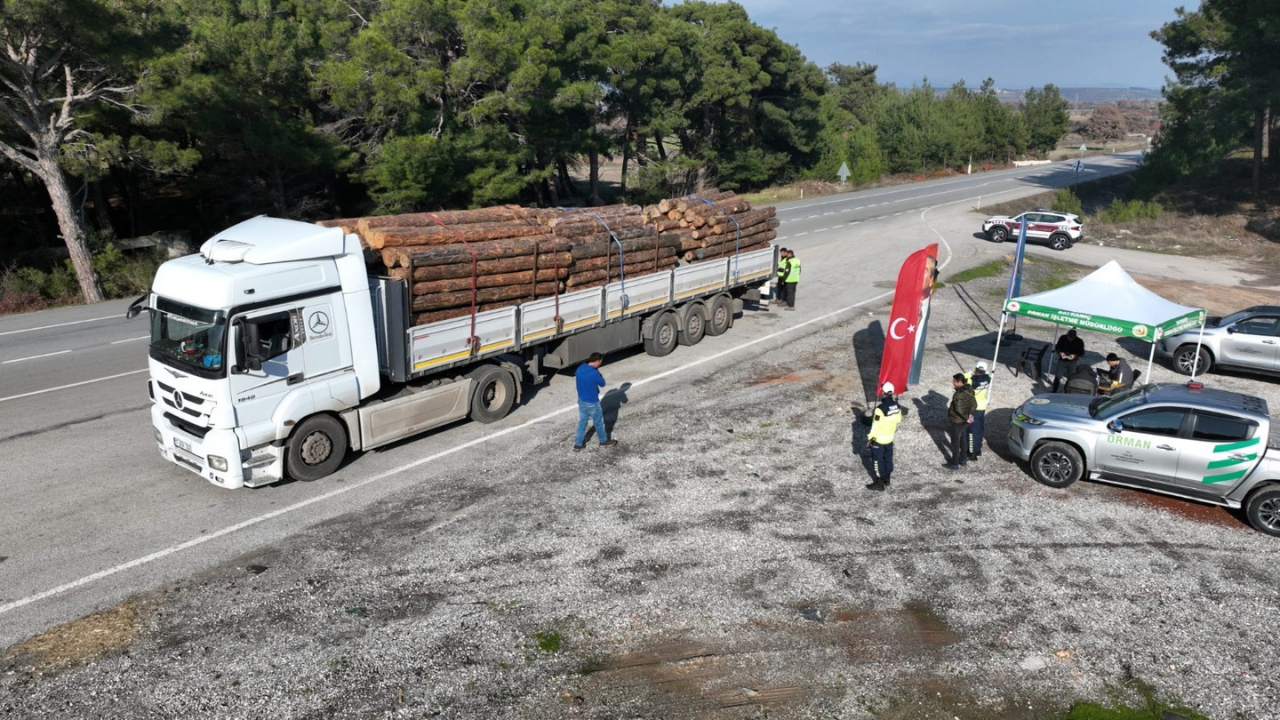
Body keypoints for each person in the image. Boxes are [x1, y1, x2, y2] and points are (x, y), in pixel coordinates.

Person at [574, 352, 618, 450]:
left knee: (582, 422)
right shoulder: (594, 373)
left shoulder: (580, 368)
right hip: (592, 402)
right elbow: (602, 383)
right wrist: (597, 372)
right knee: (598, 423)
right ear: (597, 361)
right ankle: (603, 441)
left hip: (581, 400)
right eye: (600, 362)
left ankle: (578, 444)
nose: (600, 364)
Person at [864, 382, 903, 492]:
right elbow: (898, 419)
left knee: (877, 461)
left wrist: (870, 439)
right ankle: (887, 479)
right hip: (890, 438)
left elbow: (876, 426)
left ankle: (879, 484)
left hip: (879, 439)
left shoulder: (879, 409)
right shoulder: (897, 406)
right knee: (888, 458)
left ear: (882, 392)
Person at [944, 373, 976, 470]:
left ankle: (954, 463)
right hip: (965, 421)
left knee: (955, 442)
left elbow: (958, 409)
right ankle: (963, 460)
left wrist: (965, 417)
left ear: (959, 382)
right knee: (963, 440)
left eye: (954, 381)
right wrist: (970, 414)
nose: (952, 383)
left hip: (957, 421)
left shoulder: (958, 395)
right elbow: (974, 404)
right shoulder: (970, 390)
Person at [964, 361, 990, 461]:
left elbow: (962, 377)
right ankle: (978, 449)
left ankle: (971, 453)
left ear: (976, 369)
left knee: (971, 430)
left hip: (973, 407)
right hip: (982, 407)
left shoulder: (971, 381)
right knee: (979, 428)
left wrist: (970, 373)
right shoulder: (988, 379)